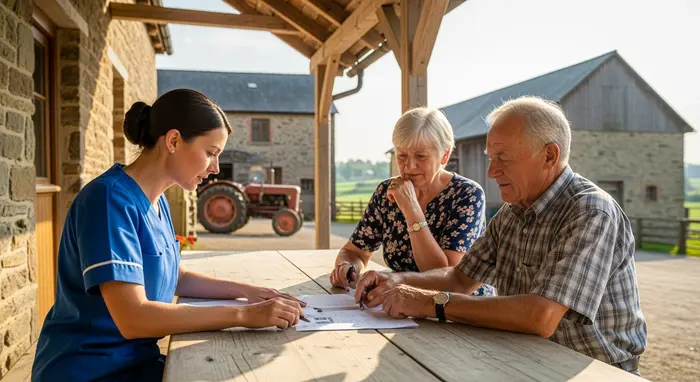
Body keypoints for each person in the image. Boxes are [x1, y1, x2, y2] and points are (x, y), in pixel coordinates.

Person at [354, 96, 647, 376]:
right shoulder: (513, 212)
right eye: (491, 157)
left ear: (549, 155)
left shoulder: (590, 210)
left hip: (593, 368)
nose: (492, 171)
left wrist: (430, 302)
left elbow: (541, 317)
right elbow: (460, 278)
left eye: (503, 157)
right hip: (526, 356)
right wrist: (396, 281)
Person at [31, 89, 305, 382]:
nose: (214, 168)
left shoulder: (157, 200)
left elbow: (173, 275)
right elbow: (134, 318)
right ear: (173, 140)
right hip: (89, 371)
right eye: (211, 153)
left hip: (136, 364)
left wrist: (248, 292)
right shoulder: (107, 200)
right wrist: (245, 317)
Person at [330, 107, 494, 297]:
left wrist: (411, 209)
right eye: (402, 155)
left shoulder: (467, 194)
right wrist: (348, 267)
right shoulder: (386, 192)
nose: (409, 165)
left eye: (421, 156)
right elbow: (355, 251)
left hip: (459, 309)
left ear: (444, 155)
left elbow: (446, 277)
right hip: (402, 302)